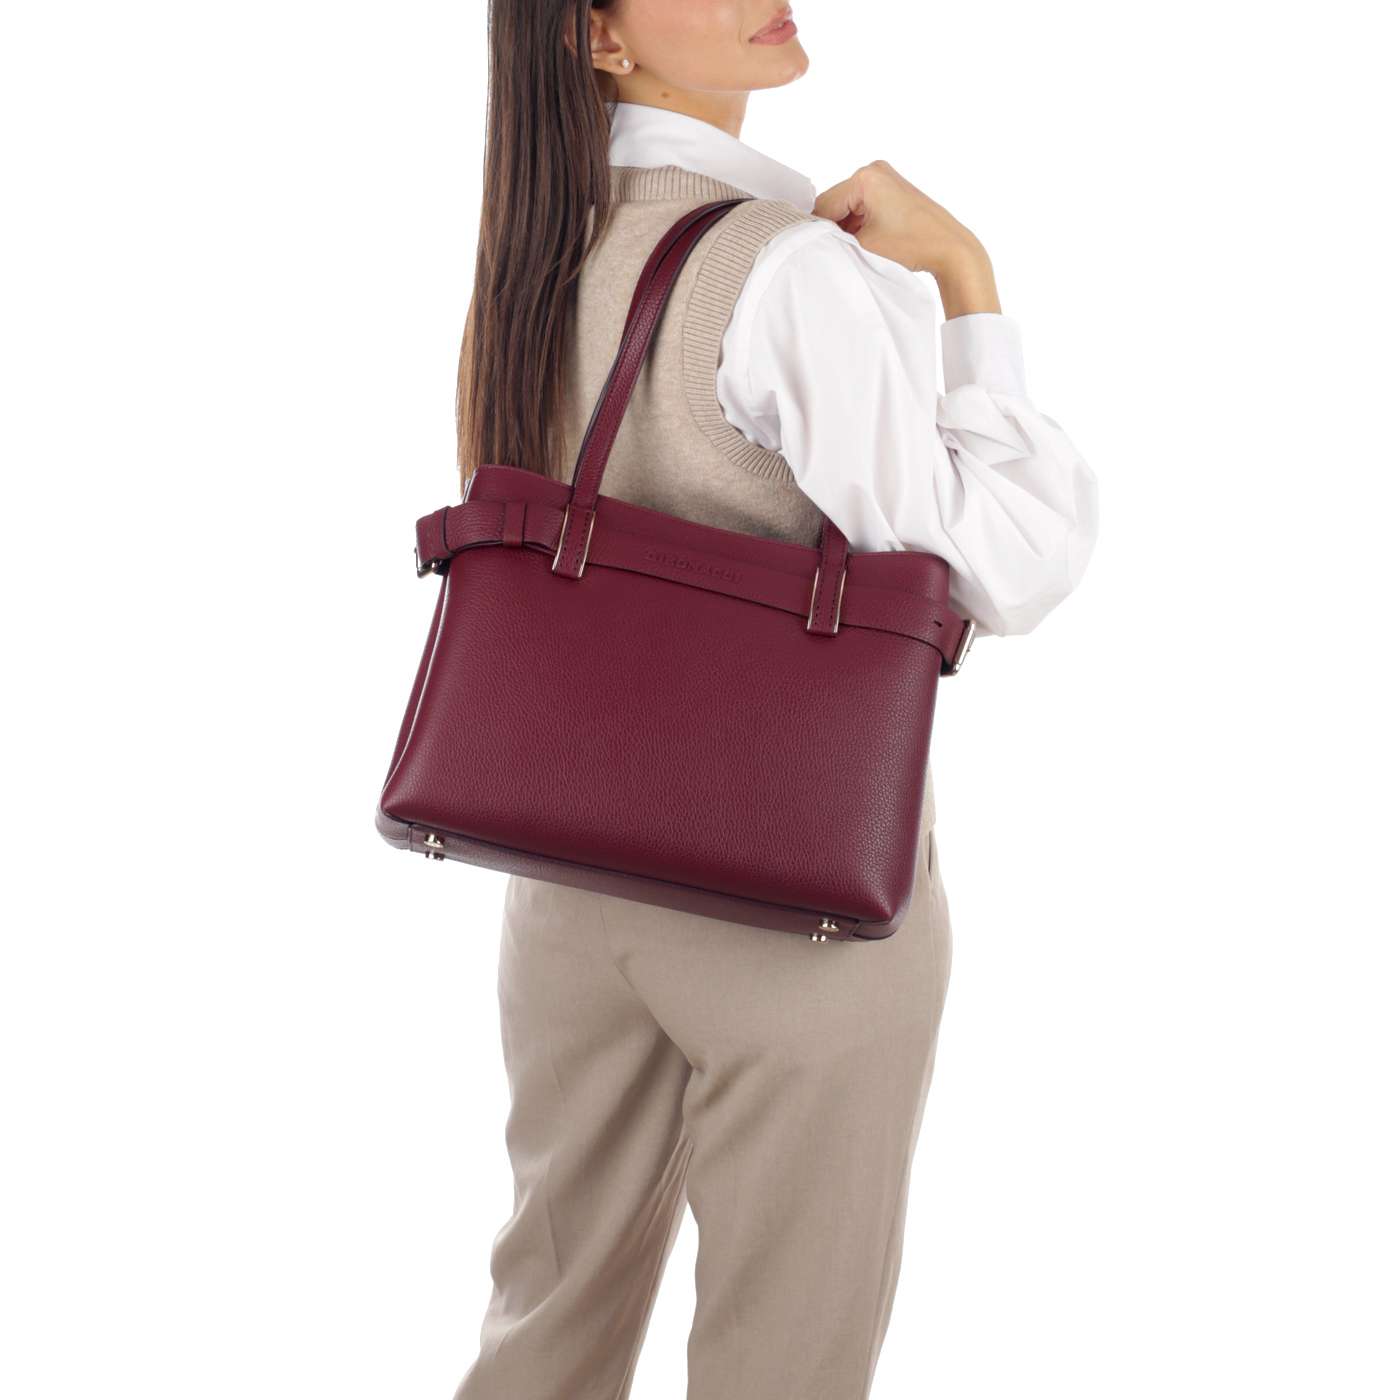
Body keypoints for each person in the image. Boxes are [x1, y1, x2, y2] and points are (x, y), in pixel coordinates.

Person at [451, 3, 1097, 1397]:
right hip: (794, 901)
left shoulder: (540, 247)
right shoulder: (786, 270)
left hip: (566, 884)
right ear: (598, 40)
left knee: (541, 1339)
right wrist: (968, 280)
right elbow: (1003, 565)